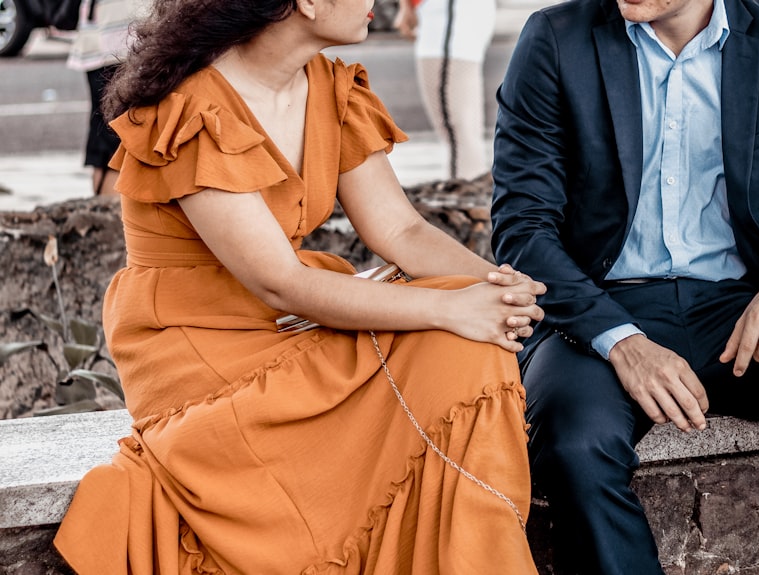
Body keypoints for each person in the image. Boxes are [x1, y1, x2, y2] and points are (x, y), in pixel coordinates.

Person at [53, 0, 545, 573]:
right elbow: (281, 283)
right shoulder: (193, 106)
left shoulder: (329, 86)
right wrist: (453, 308)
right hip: (197, 342)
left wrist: (499, 291)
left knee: (469, 353)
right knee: (455, 344)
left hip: (290, 322)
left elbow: (402, 230)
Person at [491, 0, 759, 574]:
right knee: (575, 441)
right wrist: (620, 341)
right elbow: (523, 227)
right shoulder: (556, 38)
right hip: (599, 314)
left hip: (739, 311)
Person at [393, 0, 496, 180]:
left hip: (449, 13)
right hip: (451, 13)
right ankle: (473, 195)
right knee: (463, 134)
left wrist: (405, 6)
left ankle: (467, 198)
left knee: (459, 134)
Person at [66, 0, 147, 196]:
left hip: (102, 37)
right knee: (119, 139)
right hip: (119, 40)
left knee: (106, 135)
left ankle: (101, 214)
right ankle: (109, 216)